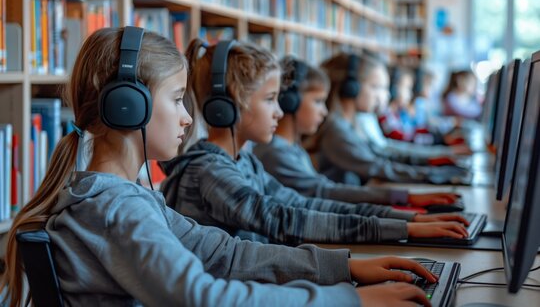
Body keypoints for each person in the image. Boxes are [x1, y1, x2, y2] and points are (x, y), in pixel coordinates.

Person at [0, 27, 437, 306]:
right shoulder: (118, 209)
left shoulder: (123, 196)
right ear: (128, 108)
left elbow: (224, 253)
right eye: (176, 100)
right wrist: (350, 301)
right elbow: (201, 295)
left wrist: (343, 268)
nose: (190, 118)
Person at [160, 39, 469, 249]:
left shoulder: (243, 161)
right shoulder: (211, 172)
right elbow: (285, 219)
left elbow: (301, 203)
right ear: (225, 106)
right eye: (270, 100)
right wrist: (403, 228)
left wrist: (407, 219)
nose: (280, 111)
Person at [253, 56, 461, 208]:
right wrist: (405, 199)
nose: (385, 95)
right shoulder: (280, 151)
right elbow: (323, 193)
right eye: (376, 87)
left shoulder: (294, 148)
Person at [316, 52, 472, 187]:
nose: (386, 95)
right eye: (376, 87)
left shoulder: (352, 124)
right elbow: (378, 166)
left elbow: (383, 153)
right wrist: (435, 173)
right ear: (352, 88)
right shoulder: (337, 130)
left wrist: (440, 159)